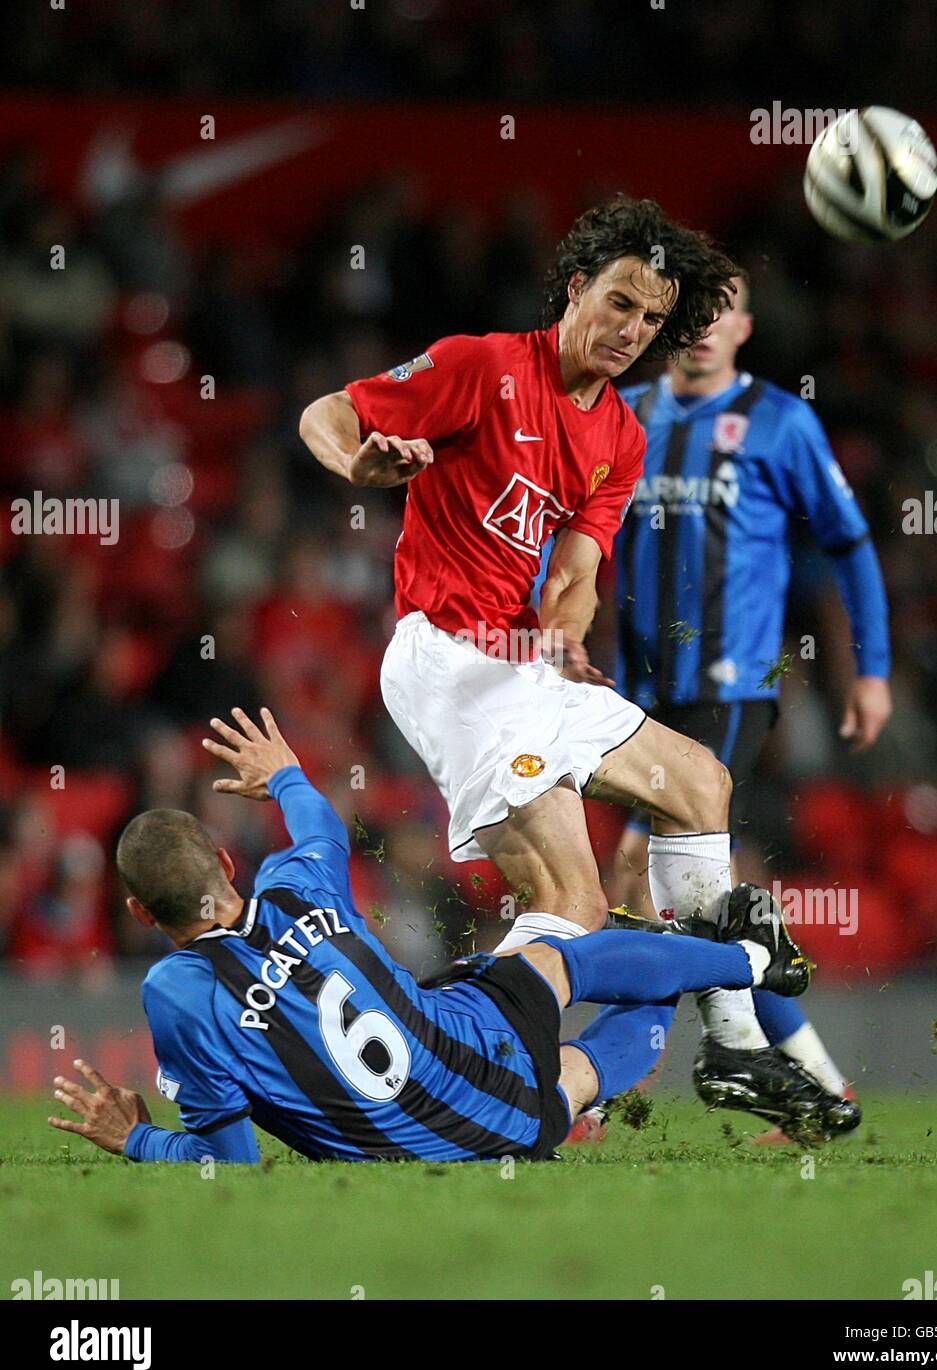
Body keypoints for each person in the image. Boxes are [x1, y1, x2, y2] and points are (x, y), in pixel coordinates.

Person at [298, 196, 839, 1133]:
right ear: (578, 285)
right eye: (620, 302)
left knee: (701, 783)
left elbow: (581, 566)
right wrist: (357, 468)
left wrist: (566, 625)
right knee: (574, 905)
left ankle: (735, 1043)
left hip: (527, 664)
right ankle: (445, 1069)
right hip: (451, 661)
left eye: (653, 319)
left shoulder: (620, 437)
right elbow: (327, 412)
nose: (632, 331)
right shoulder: (481, 366)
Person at [47, 708, 820, 1163]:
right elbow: (318, 821)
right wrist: (283, 772)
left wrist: (141, 1140)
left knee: (574, 1078)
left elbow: (231, 1163)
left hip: (479, 1132)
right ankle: (741, 956)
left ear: (140, 913)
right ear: (224, 861)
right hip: (453, 1035)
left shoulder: (175, 994)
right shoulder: (295, 882)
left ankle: (681, 972)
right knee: (556, 961)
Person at [607, 273, 890, 1136]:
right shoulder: (627, 411)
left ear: (745, 327)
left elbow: (846, 539)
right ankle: (815, 1084)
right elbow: (573, 517)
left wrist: (870, 668)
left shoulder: (781, 422)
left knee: (634, 869)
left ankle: (620, 1080)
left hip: (734, 687)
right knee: (695, 897)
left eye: (717, 311)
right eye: (686, 312)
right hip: (641, 687)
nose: (700, 327)